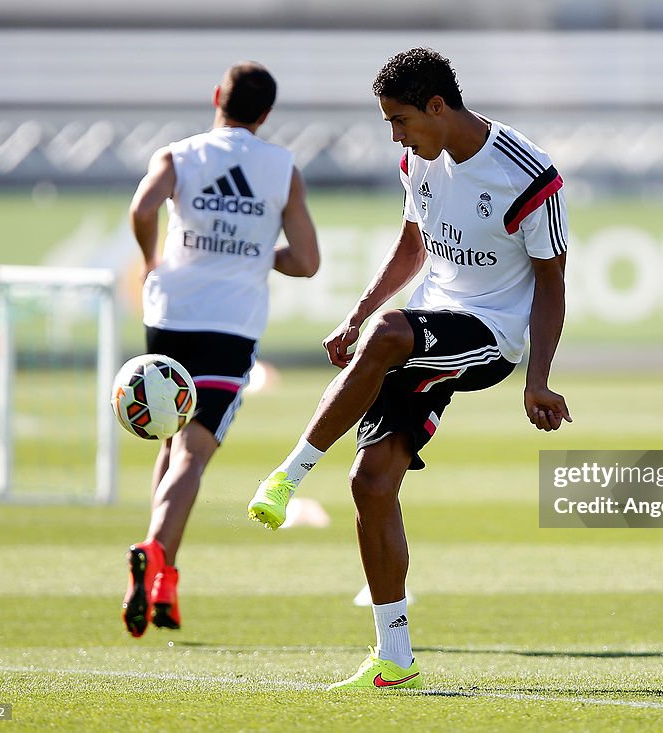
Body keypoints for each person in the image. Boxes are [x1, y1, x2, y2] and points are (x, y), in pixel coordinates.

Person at [247, 47, 571, 689]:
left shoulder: (527, 174)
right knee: (370, 484)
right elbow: (412, 248)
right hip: (427, 326)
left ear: (438, 106)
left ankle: (287, 475)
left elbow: (553, 286)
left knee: (391, 331)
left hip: (491, 337)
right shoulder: (417, 163)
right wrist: (355, 314)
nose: (395, 135)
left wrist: (537, 377)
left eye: (400, 120)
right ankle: (394, 655)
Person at [122, 61, 320, 638]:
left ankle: (163, 580)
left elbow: (141, 210)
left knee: (172, 437)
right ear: (265, 115)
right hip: (229, 326)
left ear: (218, 97)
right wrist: (259, 254)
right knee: (193, 454)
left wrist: (151, 259)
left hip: (169, 315)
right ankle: (156, 552)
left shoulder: (178, 154)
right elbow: (307, 262)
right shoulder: (282, 168)